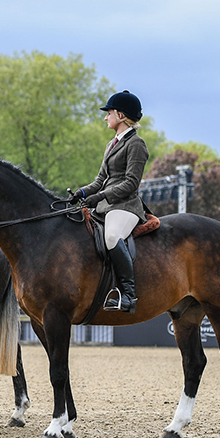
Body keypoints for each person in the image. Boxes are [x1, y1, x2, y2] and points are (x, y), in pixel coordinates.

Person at [69, 90, 148, 314]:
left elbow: (131, 183)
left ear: (121, 116)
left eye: (109, 113)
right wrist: (82, 193)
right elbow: (100, 180)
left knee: (112, 236)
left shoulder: (136, 145)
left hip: (125, 206)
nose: (106, 117)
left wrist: (102, 196)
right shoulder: (111, 144)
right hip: (106, 205)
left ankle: (129, 294)